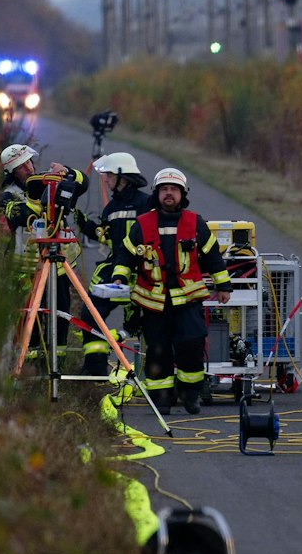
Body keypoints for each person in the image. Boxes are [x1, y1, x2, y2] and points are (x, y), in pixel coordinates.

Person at [125, 167, 229, 414]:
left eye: (173, 189)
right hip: (154, 303)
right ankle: (162, 399)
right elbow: (126, 257)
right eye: (164, 189)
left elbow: (213, 256)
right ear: (156, 194)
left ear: (183, 194)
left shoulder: (196, 223)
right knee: (158, 350)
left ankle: (190, 395)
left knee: (191, 345)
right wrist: (119, 279)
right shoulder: (141, 225)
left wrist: (223, 285)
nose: (168, 194)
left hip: (188, 301)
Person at [0, 144, 87, 366]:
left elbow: (82, 184)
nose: (28, 167)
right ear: (12, 172)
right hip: (29, 267)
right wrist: (41, 195)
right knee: (33, 314)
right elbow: (21, 214)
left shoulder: (45, 181)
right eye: (21, 166)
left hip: (59, 263)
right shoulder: (10, 196)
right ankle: (30, 365)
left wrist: (65, 172)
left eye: (29, 162)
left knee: (61, 313)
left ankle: (58, 362)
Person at [80, 153, 148, 377]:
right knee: (89, 316)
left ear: (122, 177)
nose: (106, 181)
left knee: (149, 327)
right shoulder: (110, 208)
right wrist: (85, 225)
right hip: (116, 273)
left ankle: (155, 378)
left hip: (143, 275)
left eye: (109, 176)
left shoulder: (146, 204)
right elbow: (107, 237)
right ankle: (95, 370)